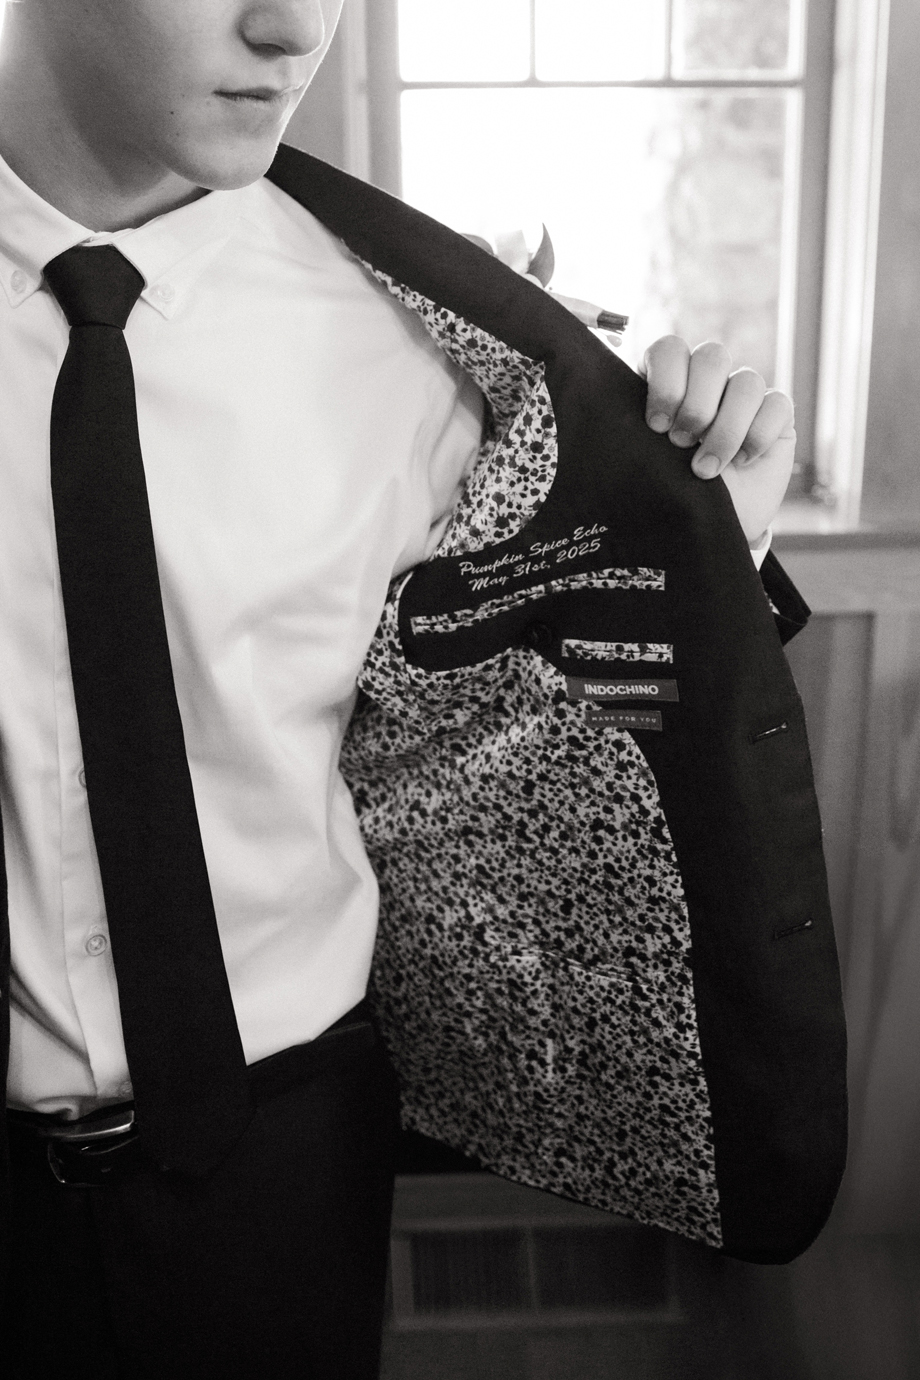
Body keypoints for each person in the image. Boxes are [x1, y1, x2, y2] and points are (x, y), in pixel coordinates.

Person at [0, 2, 801, 1376]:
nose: (293, 25)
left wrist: (701, 537)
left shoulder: (428, 344)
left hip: (285, 1152)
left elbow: (518, 727)